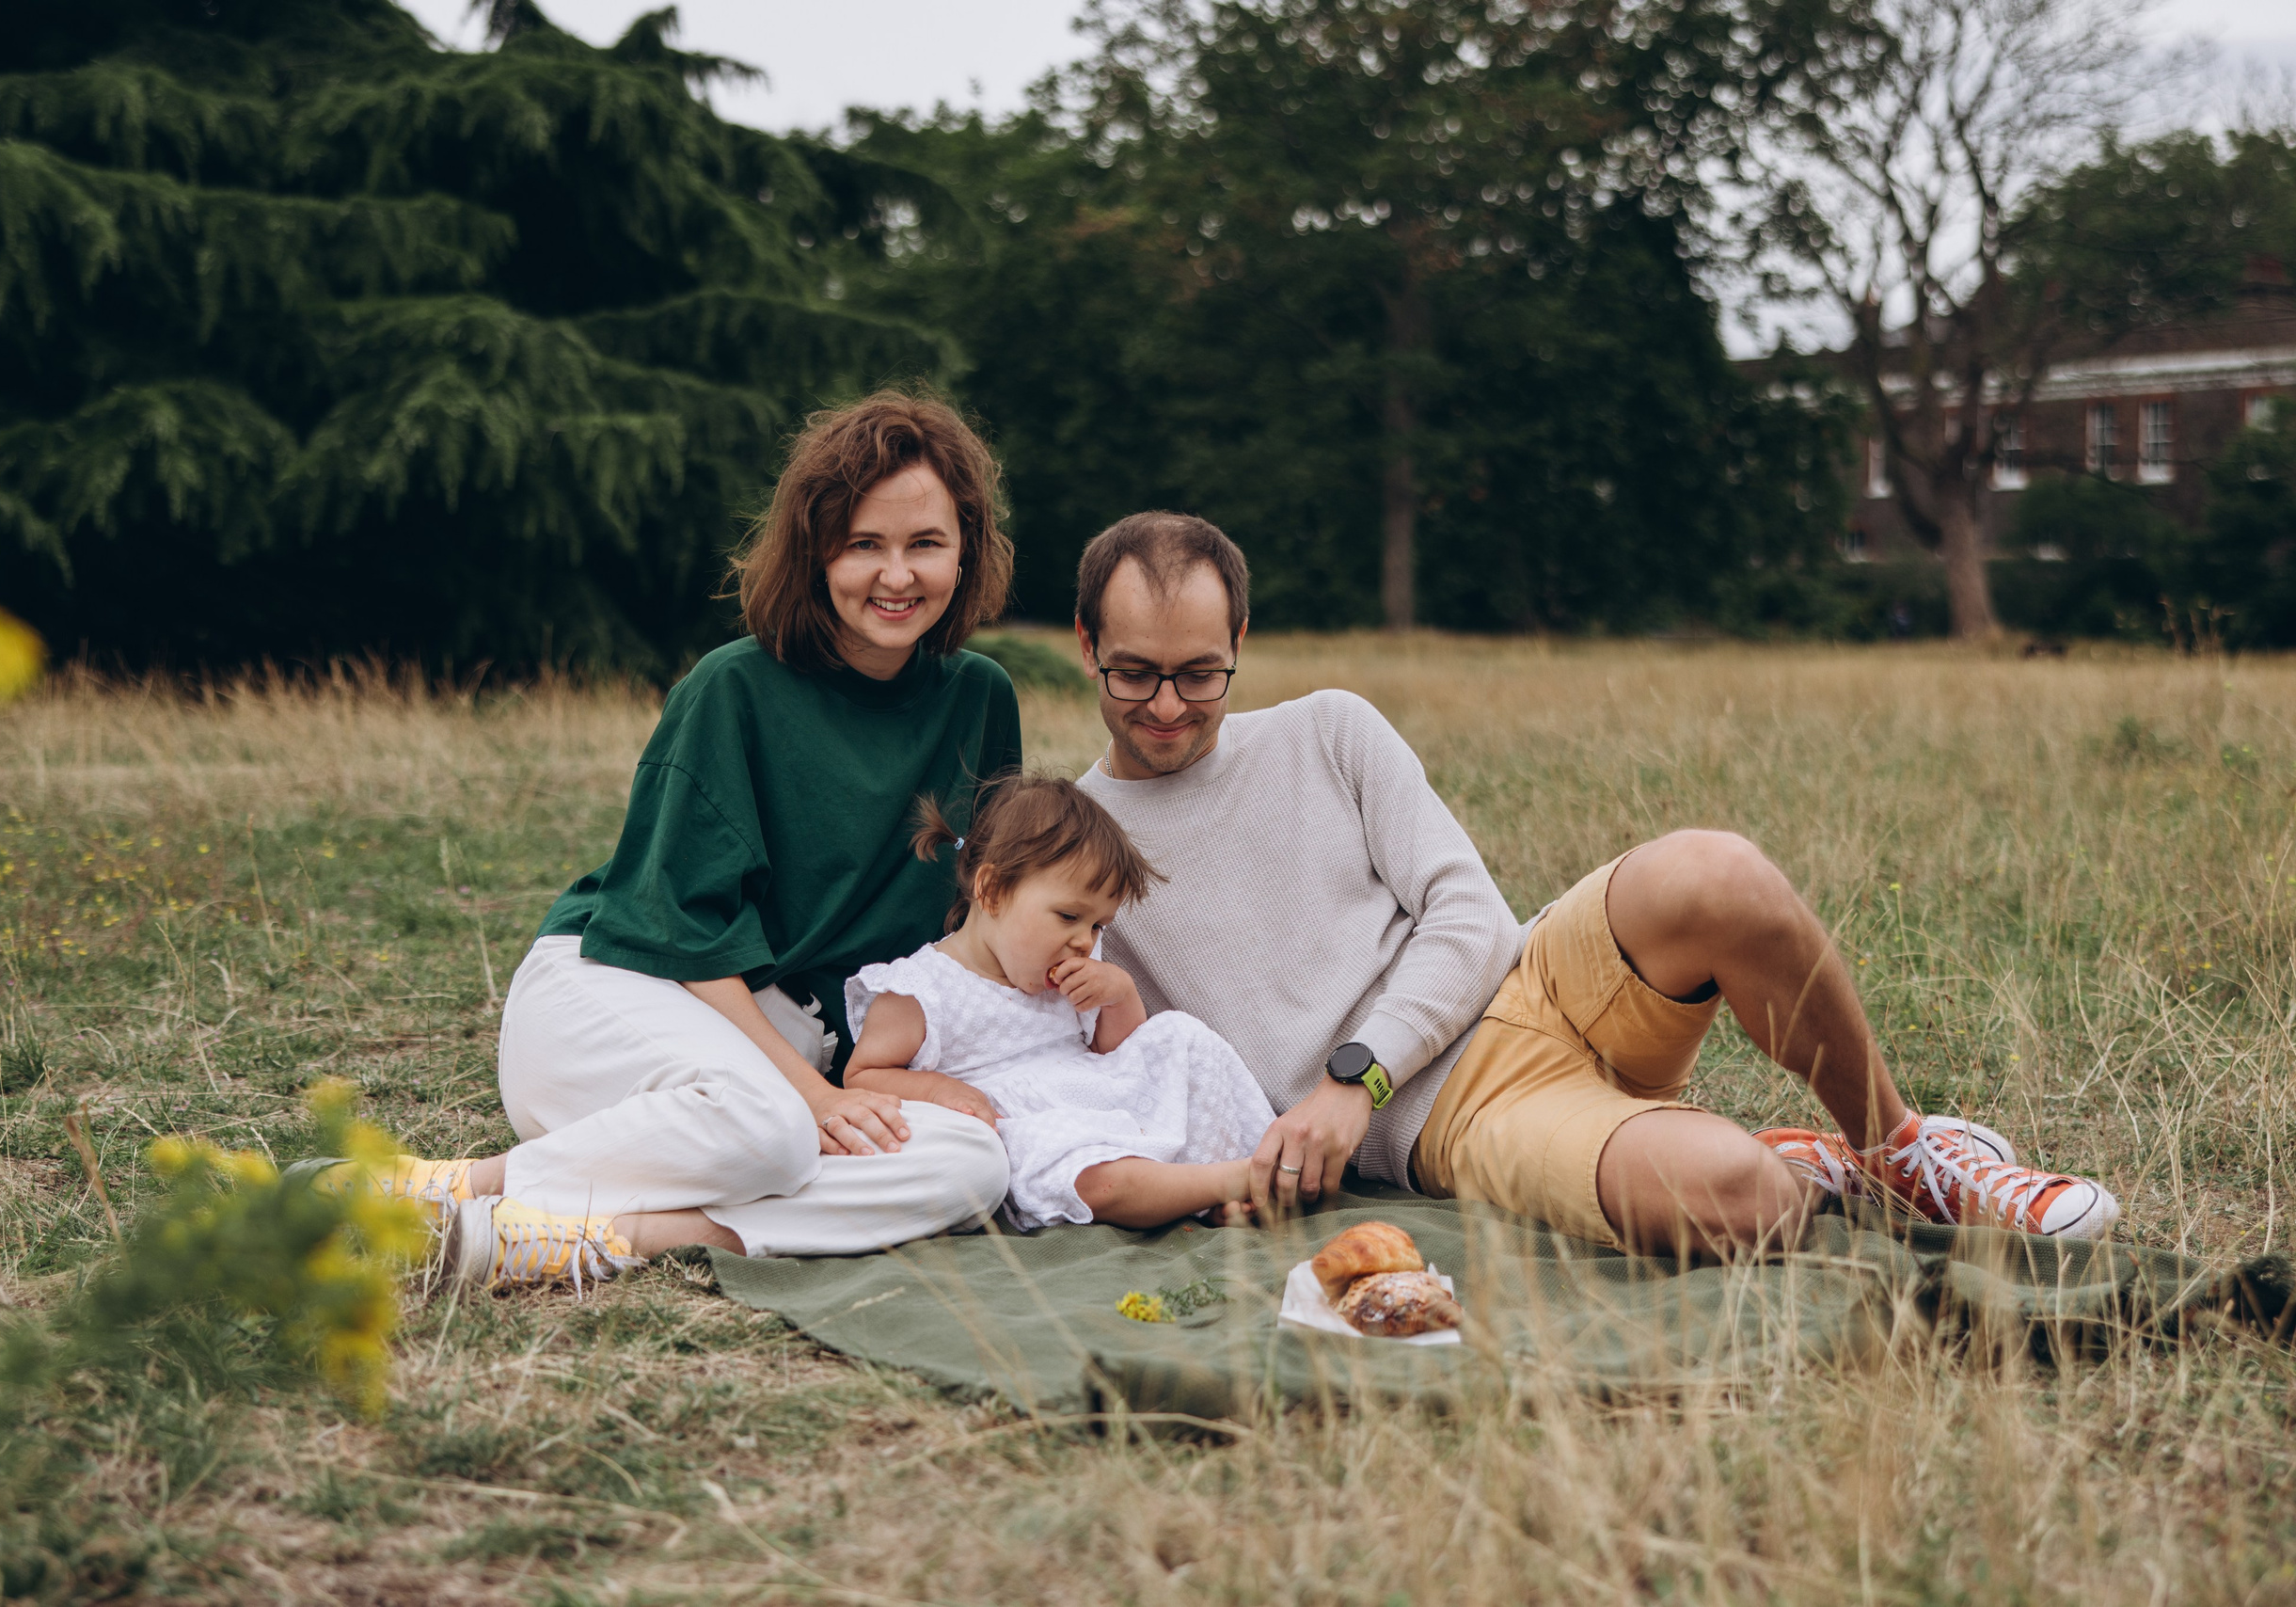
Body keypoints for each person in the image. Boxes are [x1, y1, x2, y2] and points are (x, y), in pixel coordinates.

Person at [1069, 512, 2120, 1257]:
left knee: (1718, 871)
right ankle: (1803, 1167)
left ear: (1240, 643)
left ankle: (1898, 1150)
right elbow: (1119, 1066)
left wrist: (1356, 1078)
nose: (1166, 705)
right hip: (1456, 1117)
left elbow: (1470, 917)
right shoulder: (1073, 849)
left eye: (1199, 673)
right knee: (1740, 1198)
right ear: (1084, 647)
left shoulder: (1329, 729)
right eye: (1134, 673)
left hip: (1531, 974)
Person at [354, 393, 1019, 1290]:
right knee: (771, 1130)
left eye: (925, 543)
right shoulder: (732, 687)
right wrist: (812, 1096)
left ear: (966, 550)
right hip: (625, 987)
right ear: (816, 550)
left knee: (974, 1163)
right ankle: (448, 1190)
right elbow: (680, 928)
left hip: (791, 1045)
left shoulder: (981, 698)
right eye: (864, 543)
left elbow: (980, 915)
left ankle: (603, 1236)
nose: (896, 575)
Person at [842, 773, 1278, 1231]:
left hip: (1094, 1097)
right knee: (1091, 1177)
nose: (1085, 941)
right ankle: (1227, 1181)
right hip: (1026, 1128)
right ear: (992, 891)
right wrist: (937, 1090)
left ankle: (1233, 1162)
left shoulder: (1072, 971)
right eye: (1069, 916)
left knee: (1180, 1036)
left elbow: (1122, 1054)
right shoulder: (920, 989)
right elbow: (861, 1076)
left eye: (1097, 926)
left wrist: (1120, 995)